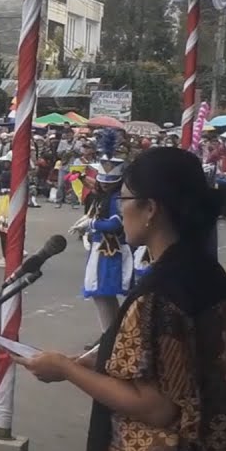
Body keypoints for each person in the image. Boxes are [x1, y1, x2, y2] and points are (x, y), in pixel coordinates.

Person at [16, 147, 226, 451]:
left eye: (122, 198)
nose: (117, 209)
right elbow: (171, 358)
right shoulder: (206, 274)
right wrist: (96, 357)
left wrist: (65, 370)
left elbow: (157, 406)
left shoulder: (160, 292)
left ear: (151, 208)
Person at [77, 132, 132, 333]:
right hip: (100, 249)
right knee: (101, 295)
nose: (103, 184)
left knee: (103, 293)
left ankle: (110, 335)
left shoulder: (117, 198)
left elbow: (116, 225)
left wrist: (92, 224)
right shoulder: (105, 194)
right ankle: (110, 334)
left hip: (112, 252)